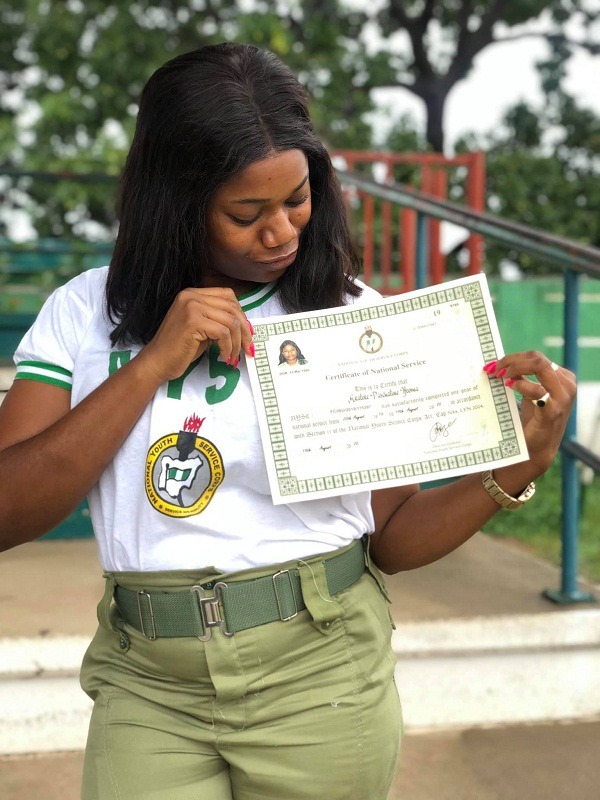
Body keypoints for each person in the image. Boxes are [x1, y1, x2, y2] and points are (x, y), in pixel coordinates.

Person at [0, 43, 575, 800]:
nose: (281, 233)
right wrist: (149, 365)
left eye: (297, 200)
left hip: (318, 675)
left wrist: (514, 469)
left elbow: (393, 539)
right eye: (246, 213)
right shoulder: (84, 312)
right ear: (174, 203)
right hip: (148, 683)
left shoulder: (349, 321)